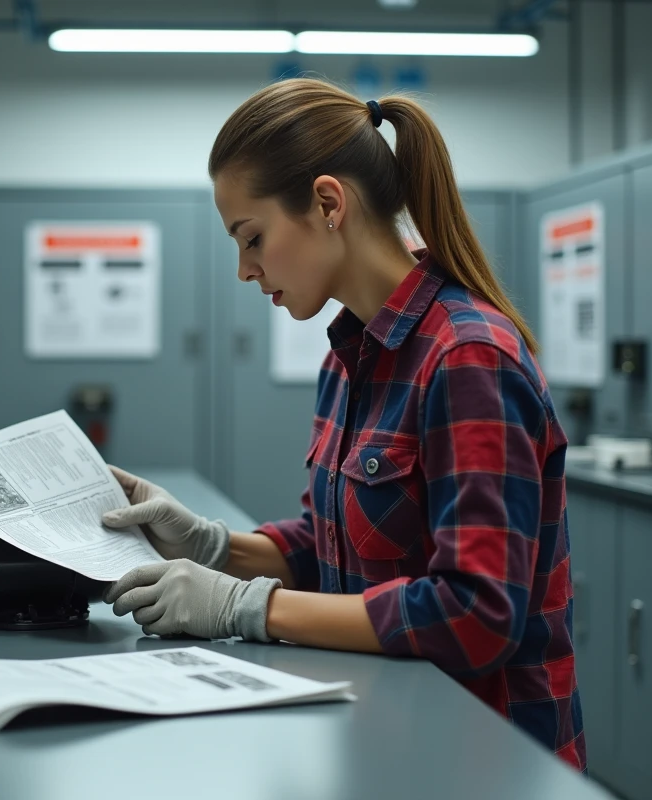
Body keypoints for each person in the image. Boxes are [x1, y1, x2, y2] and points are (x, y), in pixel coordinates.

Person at [100, 78, 586, 772]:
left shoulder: (466, 356)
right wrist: (211, 546)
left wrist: (245, 607)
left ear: (329, 204)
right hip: (385, 737)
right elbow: (332, 548)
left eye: (252, 237)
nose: (243, 270)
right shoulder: (350, 357)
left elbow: (476, 616)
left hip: (485, 759)